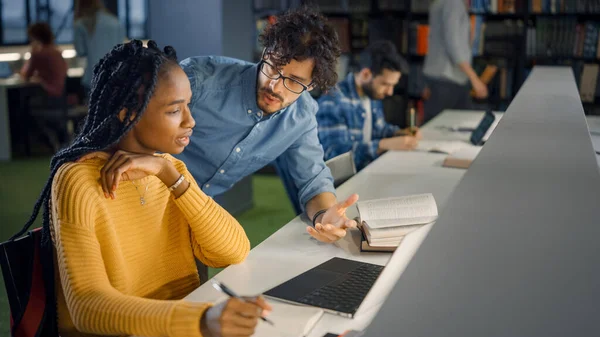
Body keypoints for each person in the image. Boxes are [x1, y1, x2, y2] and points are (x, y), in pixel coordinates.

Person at [11, 40, 270, 337]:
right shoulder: (78, 181)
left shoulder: (169, 170)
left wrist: (168, 174)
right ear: (127, 113)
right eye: (175, 111)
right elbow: (86, 306)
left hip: (179, 324)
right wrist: (201, 319)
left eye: (188, 106)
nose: (190, 121)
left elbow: (233, 251)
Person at [177, 7, 358, 243]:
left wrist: (325, 216)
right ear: (265, 52)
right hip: (135, 190)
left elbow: (313, 182)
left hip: (193, 210)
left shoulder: (301, 117)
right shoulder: (200, 79)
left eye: (293, 81)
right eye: (273, 67)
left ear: (311, 85)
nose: (275, 86)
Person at [316, 40, 421, 171]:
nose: (390, 92)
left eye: (393, 85)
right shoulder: (332, 102)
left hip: (369, 170)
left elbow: (378, 129)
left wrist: (398, 133)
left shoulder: (372, 95)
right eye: (385, 84)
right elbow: (335, 155)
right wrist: (383, 145)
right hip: (345, 182)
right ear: (366, 74)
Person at [423, 0, 489, 124]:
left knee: (460, 123)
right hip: (448, 78)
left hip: (445, 78)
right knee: (436, 127)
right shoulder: (453, 3)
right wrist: (475, 79)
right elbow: (453, 46)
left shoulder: (440, 3)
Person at [73, 0, 124, 96]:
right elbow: (121, 49)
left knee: (94, 109)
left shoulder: (81, 24)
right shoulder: (115, 22)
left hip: (93, 76)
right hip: (115, 75)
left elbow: (80, 51)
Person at [20, 22, 67, 97]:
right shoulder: (56, 52)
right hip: (60, 94)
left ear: (35, 37)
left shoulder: (39, 53)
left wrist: (32, 52)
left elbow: (26, 75)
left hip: (47, 94)